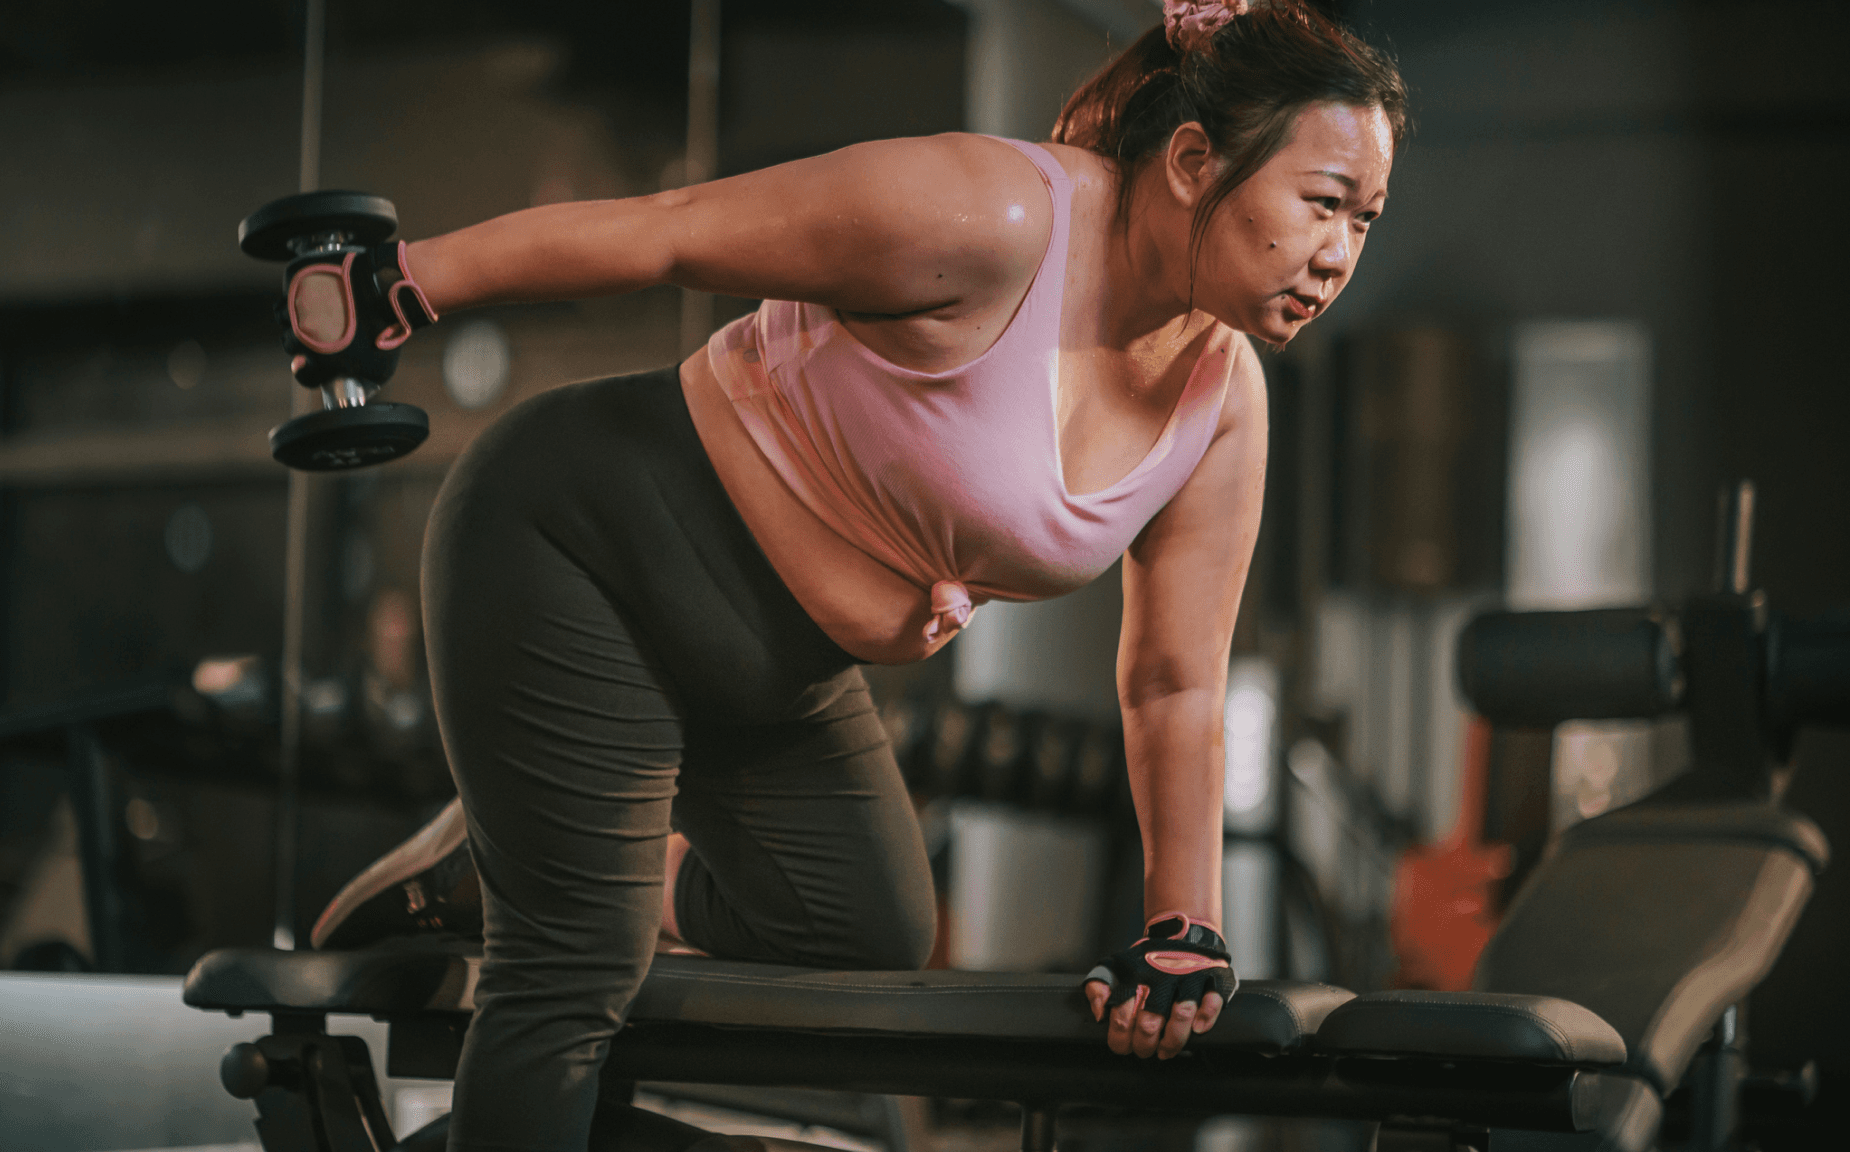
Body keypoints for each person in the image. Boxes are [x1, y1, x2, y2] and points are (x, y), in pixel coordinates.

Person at [293, 2, 1404, 1147]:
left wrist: (1187, 924)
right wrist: (403, 284)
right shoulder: (993, 215)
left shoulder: (1223, 404)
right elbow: (669, 231)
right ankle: (543, 900)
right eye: (1323, 203)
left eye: (1364, 220)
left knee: (864, 929)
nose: (1339, 255)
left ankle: (479, 875)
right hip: (585, 545)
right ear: (1190, 162)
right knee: (574, 968)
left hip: (779, 669)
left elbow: (1177, 682)